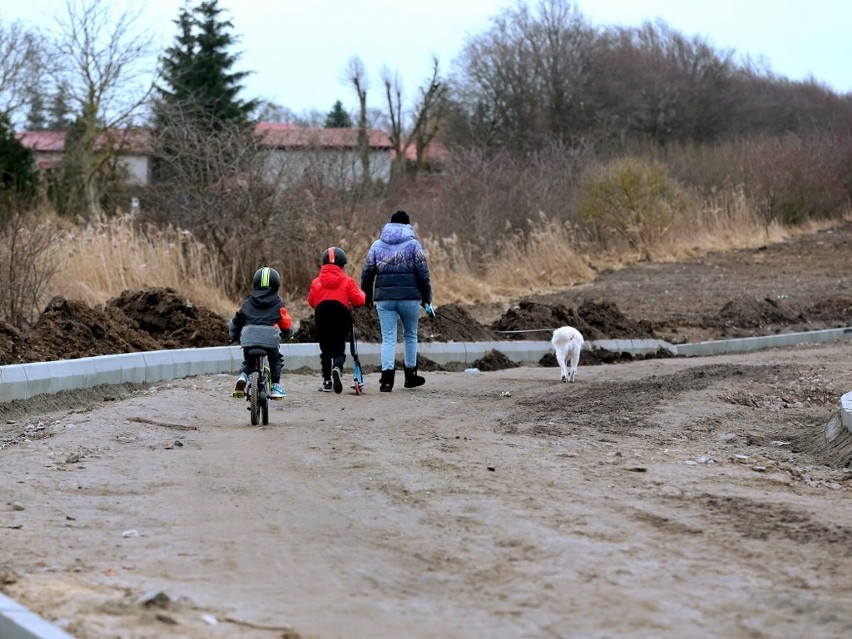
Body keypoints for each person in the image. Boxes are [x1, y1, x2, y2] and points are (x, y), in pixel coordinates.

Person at [361, 210, 432, 392]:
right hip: (410, 298)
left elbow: (367, 273)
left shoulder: (377, 245)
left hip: (384, 299)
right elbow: (423, 275)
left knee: (388, 338)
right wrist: (427, 299)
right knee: (410, 335)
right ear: (408, 226)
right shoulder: (414, 245)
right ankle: (410, 376)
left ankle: (386, 381)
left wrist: (367, 299)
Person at [307, 247, 366, 393]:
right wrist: (362, 293)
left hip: (322, 316)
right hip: (340, 316)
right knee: (339, 347)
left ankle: (327, 381)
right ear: (342, 265)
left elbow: (311, 302)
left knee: (325, 349)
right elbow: (358, 301)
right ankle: (337, 367)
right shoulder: (348, 281)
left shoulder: (316, 282)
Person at [229, 266, 293, 399]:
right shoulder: (277, 303)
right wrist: (288, 333)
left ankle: (243, 376)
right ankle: (275, 386)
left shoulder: (248, 302)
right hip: (270, 339)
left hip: (248, 337)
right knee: (275, 359)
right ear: (276, 285)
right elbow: (285, 323)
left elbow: (236, 321)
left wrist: (233, 335)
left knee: (248, 363)